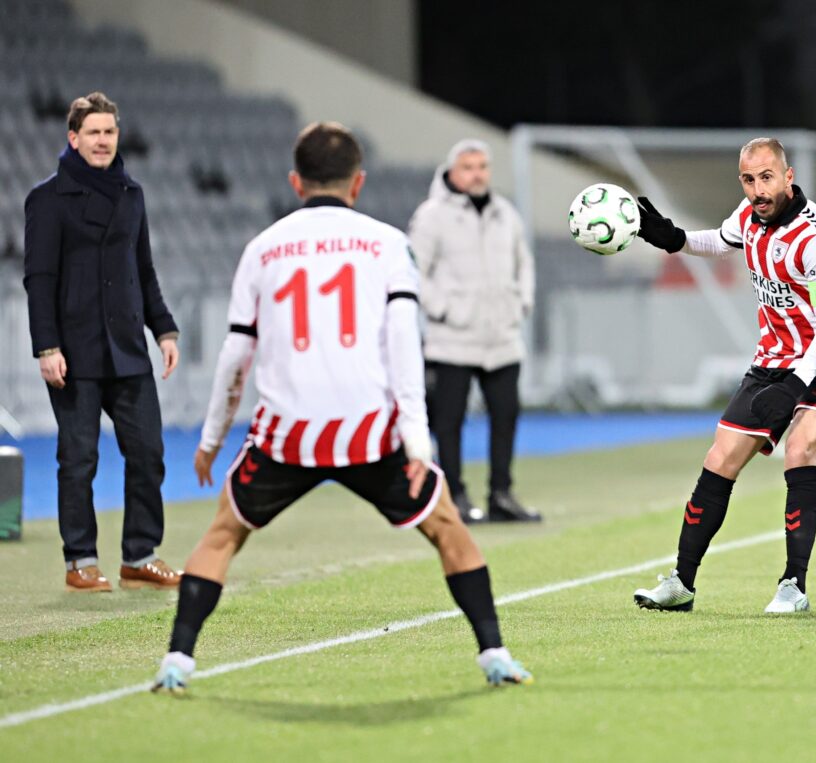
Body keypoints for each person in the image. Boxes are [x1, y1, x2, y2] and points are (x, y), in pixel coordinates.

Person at [151, 123, 532, 695]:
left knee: (223, 533)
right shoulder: (385, 243)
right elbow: (405, 346)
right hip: (369, 433)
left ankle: (177, 660)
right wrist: (417, 444)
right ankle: (494, 653)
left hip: (288, 435)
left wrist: (211, 439)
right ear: (359, 182)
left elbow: (236, 355)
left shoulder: (262, 247)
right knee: (448, 528)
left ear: (294, 181)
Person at [631, 138, 816, 614]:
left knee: (799, 450)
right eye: (748, 179)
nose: (758, 189)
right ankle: (682, 584)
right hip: (772, 357)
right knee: (720, 459)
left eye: (766, 178)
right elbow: (721, 241)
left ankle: (793, 586)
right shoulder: (749, 214)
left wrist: (795, 388)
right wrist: (674, 238)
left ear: (788, 176)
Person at [23, 92, 181, 593]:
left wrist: (165, 330)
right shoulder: (47, 199)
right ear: (73, 138)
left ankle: (140, 554)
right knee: (80, 458)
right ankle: (80, 560)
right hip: (75, 350)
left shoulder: (132, 194)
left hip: (127, 349)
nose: (103, 141)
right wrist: (47, 347)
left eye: (109, 132)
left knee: (149, 452)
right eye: (93, 132)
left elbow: (144, 272)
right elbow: (39, 279)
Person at [407, 139, 540, 524]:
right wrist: (445, 309)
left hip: (502, 337)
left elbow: (524, 263)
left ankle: (501, 493)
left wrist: (522, 303)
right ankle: (453, 496)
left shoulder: (505, 214)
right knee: (449, 421)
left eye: (482, 166)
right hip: (452, 339)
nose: (477, 173)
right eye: (468, 167)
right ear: (451, 171)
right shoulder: (432, 216)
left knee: (507, 414)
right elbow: (414, 270)